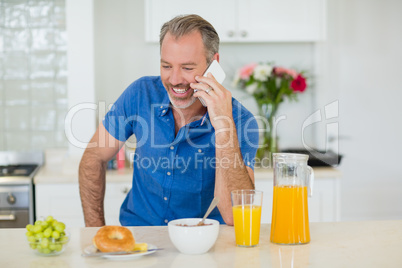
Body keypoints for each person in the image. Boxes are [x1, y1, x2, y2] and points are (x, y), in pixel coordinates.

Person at [78, 14, 259, 227]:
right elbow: (93, 158)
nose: (174, 80)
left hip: (204, 242)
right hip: (140, 239)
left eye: (187, 68)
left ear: (213, 64)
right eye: (166, 66)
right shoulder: (140, 94)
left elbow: (233, 215)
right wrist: (96, 231)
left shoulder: (240, 120)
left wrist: (223, 125)